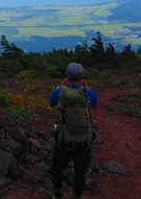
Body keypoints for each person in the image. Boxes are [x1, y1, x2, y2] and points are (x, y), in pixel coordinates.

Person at [48, 63, 99, 199]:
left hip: (64, 137)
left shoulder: (59, 92)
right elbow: (96, 105)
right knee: (80, 170)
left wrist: (61, 86)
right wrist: (86, 88)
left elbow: (51, 103)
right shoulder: (88, 93)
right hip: (84, 139)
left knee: (58, 166)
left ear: (67, 76)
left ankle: (57, 194)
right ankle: (76, 196)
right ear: (82, 77)